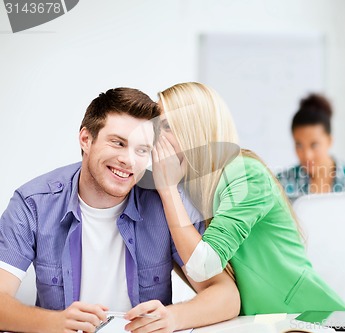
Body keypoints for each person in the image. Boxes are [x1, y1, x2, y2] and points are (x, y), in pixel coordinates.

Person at [0, 88, 239, 333]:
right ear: (86, 139)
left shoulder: (166, 201)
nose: (129, 160)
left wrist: (173, 317)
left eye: (142, 150)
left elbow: (226, 294)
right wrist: (55, 323)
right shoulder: (33, 203)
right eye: (118, 143)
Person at [152, 82, 345, 315]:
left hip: (312, 319)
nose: (156, 139)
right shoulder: (193, 191)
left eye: (166, 126)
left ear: (193, 128)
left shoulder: (246, 174)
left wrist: (167, 189)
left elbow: (203, 266)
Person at [276, 94, 345, 201]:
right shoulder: (281, 183)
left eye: (314, 145)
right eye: (299, 145)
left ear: (329, 141)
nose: (307, 155)